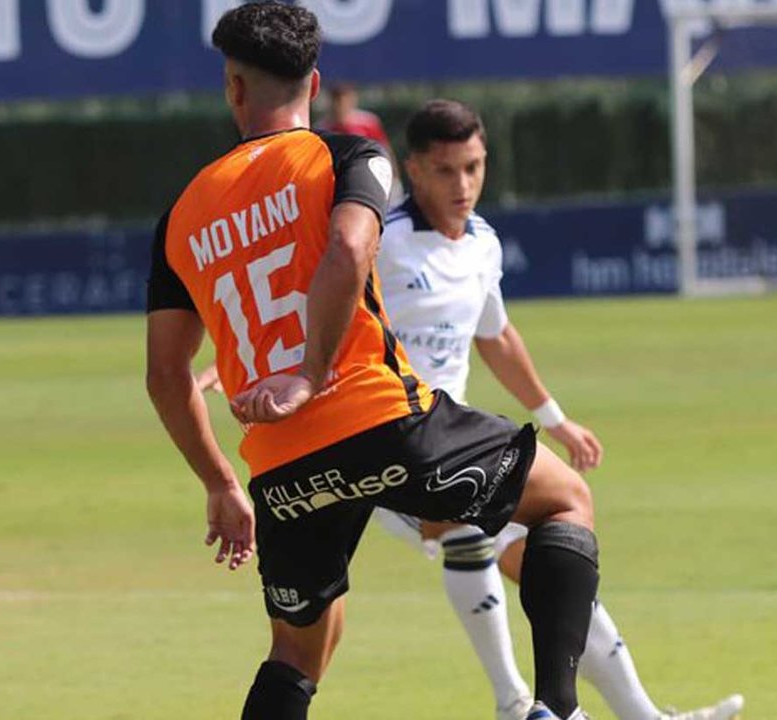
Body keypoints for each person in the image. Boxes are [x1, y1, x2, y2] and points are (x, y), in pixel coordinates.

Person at [146, 4, 599, 719]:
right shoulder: (347, 157)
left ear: (233, 86)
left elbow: (165, 374)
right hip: (382, 423)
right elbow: (351, 248)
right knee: (565, 497)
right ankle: (556, 709)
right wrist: (309, 370)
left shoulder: (181, 212)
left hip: (280, 467)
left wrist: (219, 483)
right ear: (315, 82)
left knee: (297, 650)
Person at [370, 99, 745, 720]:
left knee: (556, 564)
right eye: (445, 170)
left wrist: (554, 417)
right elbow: (314, 306)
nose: (462, 185)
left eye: (473, 167)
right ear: (414, 170)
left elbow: (495, 335)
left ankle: (642, 717)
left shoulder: (482, 243)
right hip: (387, 442)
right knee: (465, 531)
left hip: (454, 438)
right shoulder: (382, 241)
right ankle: (516, 704)